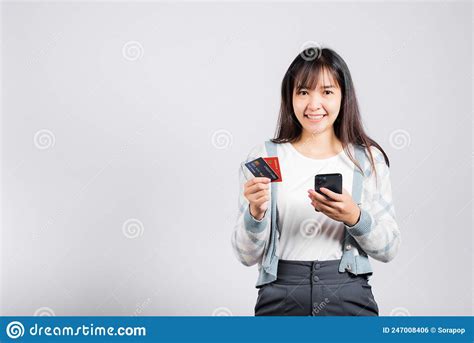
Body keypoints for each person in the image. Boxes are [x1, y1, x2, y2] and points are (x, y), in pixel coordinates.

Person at [231, 46, 401, 316]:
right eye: (303, 92)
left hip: (349, 298)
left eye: (327, 91)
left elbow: (389, 248)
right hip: (280, 297)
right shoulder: (265, 157)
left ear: (344, 97)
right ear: (290, 97)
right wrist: (255, 214)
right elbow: (245, 256)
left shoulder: (367, 159)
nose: (314, 104)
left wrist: (355, 217)